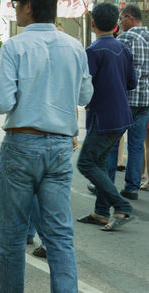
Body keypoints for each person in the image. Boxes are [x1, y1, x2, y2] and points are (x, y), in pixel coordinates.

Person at [0, 0, 93, 290]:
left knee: (12, 236)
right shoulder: (74, 46)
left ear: (29, 8)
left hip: (21, 143)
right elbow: (85, 95)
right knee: (60, 236)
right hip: (60, 146)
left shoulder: (15, 46)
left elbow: (1, 102)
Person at [77, 2, 136, 231]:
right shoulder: (123, 49)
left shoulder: (93, 51)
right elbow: (132, 82)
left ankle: (121, 205)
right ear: (116, 25)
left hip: (103, 116)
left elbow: (85, 88)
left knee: (86, 163)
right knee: (99, 162)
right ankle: (101, 211)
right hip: (122, 116)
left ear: (93, 24)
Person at [108, 4, 149, 201]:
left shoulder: (125, 38)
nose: (119, 23)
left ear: (130, 18)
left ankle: (106, 185)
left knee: (112, 143)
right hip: (146, 101)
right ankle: (132, 187)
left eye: (121, 18)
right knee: (136, 145)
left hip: (125, 99)